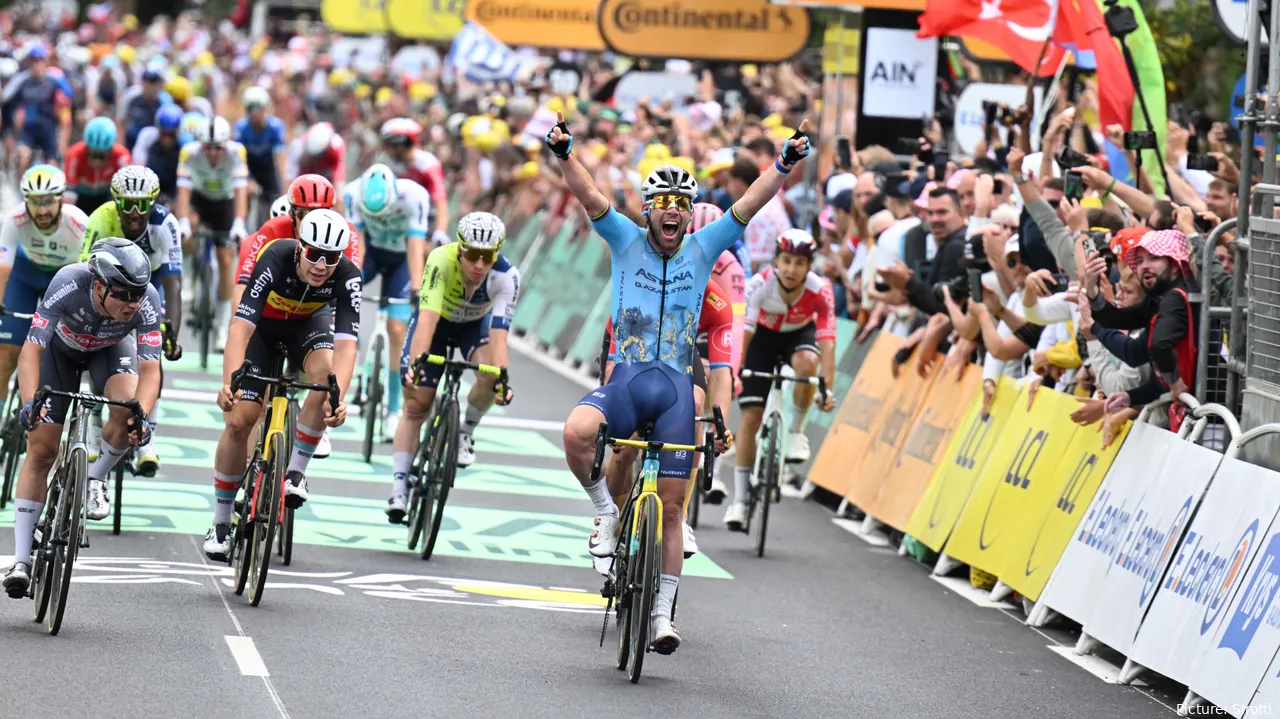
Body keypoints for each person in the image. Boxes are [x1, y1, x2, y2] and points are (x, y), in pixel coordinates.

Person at [555, 110, 812, 654]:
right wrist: (563, 153)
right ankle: (606, 512)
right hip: (626, 380)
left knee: (672, 508)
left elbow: (750, 202)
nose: (671, 213)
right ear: (648, 211)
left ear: (688, 216)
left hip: (674, 387)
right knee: (577, 432)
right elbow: (589, 191)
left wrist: (785, 162)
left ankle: (663, 615)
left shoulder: (702, 247)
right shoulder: (623, 239)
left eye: (680, 206)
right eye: (662, 205)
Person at [2, 238, 160, 597]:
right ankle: (22, 560)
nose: (132, 303)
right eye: (123, 294)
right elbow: (31, 351)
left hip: (110, 352)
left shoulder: (146, 299)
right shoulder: (70, 282)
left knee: (127, 410)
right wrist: (31, 403)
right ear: (100, 285)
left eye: (137, 295)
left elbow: (151, 368)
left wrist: (144, 415)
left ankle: (94, 478)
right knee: (41, 450)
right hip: (58, 354)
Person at [203, 209, 358, 561]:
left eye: (331, 257)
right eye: (314, 253)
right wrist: (231, 381)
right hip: (264, 332)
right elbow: (240, 329)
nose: (321, 264)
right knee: (240, 421)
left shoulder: (348, 277)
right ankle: (222, 522)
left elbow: (348, 345)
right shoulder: (274, 256)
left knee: (325, 379)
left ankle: (296, 473)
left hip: (308, 326)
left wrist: (338, 398)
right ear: (300, 246)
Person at [386, 212, 518, 521]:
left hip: (474, 328)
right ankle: (399, 486)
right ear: (460, 249)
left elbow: (499, 336)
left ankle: (465, 430)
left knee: (490, 376)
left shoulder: (506, 277)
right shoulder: (440, 261)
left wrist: (503, 379)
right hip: (437, 324)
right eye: (472, 255)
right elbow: (427, 319)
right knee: (418, 405)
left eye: (487, 257)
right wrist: (417, 364)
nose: (479, 265)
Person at [599, 275, 736, 557]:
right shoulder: (640, 286)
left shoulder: (716, 302)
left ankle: (681, 516)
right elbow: (614, 372)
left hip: (678, 349)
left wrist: (719, 426)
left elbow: (722, 370)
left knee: (696, 402)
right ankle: (610, 517)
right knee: (624, 448)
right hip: (633, 344)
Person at [724, 229, 836, 531]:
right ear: (776, 260)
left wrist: (827, 388)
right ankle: (741, 499)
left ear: (809, 266)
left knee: (807, 363)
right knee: (751, 418)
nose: (791, 269)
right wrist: (737, 370)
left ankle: (797, 432)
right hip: (760, 339)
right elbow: (744, 333)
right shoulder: (760, 284)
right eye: (786, 261)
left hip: (797, 338)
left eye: (799, 263)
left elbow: (827, 341)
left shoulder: (820, 289)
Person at [80, 166, 184, 475]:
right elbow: (86, 276)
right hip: (107, 291)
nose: (135, 212)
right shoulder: (101, 219)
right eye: (127, 203)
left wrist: (172, 331)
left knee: (152, 358)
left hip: (147, 292)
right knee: (101, 346)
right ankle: (96, 417)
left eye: (143, 204)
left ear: (154, 202)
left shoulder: (165, 223)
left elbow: (173, 282)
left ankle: (146, 434)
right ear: (116, 201)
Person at [345, 163, 432, 440]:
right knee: (343, 299)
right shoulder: (351, 194)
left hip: (401, 260)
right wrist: (349, 283)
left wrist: (417, 290)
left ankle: (394, 409)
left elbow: (416, 247)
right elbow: (355, 246)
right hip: (371, 254)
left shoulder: (414, 196)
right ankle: (353, 361)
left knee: (397, 328)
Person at [0, 166, 89, 404]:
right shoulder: (15, 219)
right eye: (34, 202)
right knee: (5, 354)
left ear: (61, 199)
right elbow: (2, 270)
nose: (41, 210)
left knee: (53, 353)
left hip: (63, 279)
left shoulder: (79, 223)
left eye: (48, 201)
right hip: (25, 276)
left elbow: (88, 276)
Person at [175, 115, 249, 349]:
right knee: (188, 229)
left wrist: (239, 222)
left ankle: (221, 323)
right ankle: (187, 274)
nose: (214, 152)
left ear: (226, 144)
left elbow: (240, 191)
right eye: (208, 147)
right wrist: (184, 222)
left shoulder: (237, 152)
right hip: (199, 200)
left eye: (219, 147)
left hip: (224, 204)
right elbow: (183, 192)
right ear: (200, 144)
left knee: (226, 258)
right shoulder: (188, 152)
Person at [2, 46, 72, 178]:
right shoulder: (23, 80)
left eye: (40, 60)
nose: (36, 64)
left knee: (52, 165)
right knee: (23, 157)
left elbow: (69, 95)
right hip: (29, 128)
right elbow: (6, 98)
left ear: (45, 62)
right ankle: (22, 192)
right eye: (33, 61)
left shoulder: (54, 80)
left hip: (48, 128)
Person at [378, 118, 449, 246]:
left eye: (388, 144)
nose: (385, 149)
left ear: (400, 144)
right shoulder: (386, 162)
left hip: (426, 218)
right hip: (396, 217)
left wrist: (440, 231)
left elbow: (440, 201)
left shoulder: (427, 164)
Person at [233, 86, 287, 212]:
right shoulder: (241, 128)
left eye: (258, 108)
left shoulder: (275, 126)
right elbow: (238, 157)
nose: (254, 112)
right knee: (244, 193)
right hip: (248, 168)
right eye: (250, 108)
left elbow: (280, 156)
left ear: (265, 108)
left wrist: (283, 182)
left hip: (268, 169)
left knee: (274, 206)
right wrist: (247, 179)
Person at [64, 116, 131, 214]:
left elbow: (127, 192)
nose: (96, 161)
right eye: (91, 155)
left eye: (101, 156)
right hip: (81, 198)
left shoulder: (121, 156)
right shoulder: (74, 154)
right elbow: (69, 196)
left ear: (110, 150)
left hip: (107, 197)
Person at [132, 104, 187, 203]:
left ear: (178, 132)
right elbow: (138, 169)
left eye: (172, 135)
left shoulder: (186, 143)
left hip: (175, 184)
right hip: (151, 183)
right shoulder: (147, 136)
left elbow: (186, 178)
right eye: (164, 134)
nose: (167, 140)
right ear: (158, 129)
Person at [284, 122, 346, 202]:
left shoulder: (337, 145)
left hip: (327, 175)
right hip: (304, 175)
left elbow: (339, 178)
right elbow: (290, 177)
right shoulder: (298, 147)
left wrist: (339, 199)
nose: (316, 160)